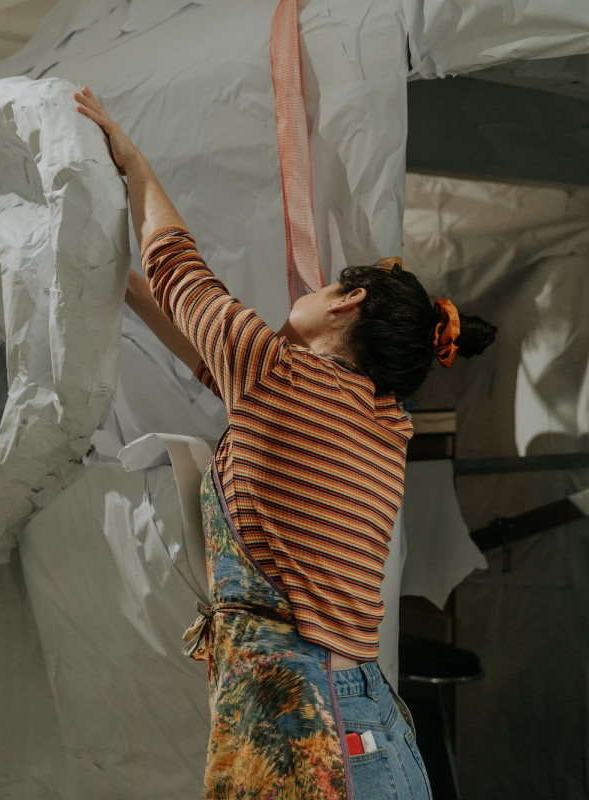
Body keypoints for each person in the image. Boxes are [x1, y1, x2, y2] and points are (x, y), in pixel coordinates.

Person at [74, 87, 495, 799]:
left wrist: (130, 157)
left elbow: (180, 268)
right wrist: (116, 277)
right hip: (366, 727)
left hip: (311, 732)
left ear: (346, 302)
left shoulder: (276, 378)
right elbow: (214, 364)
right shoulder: (380, 420)